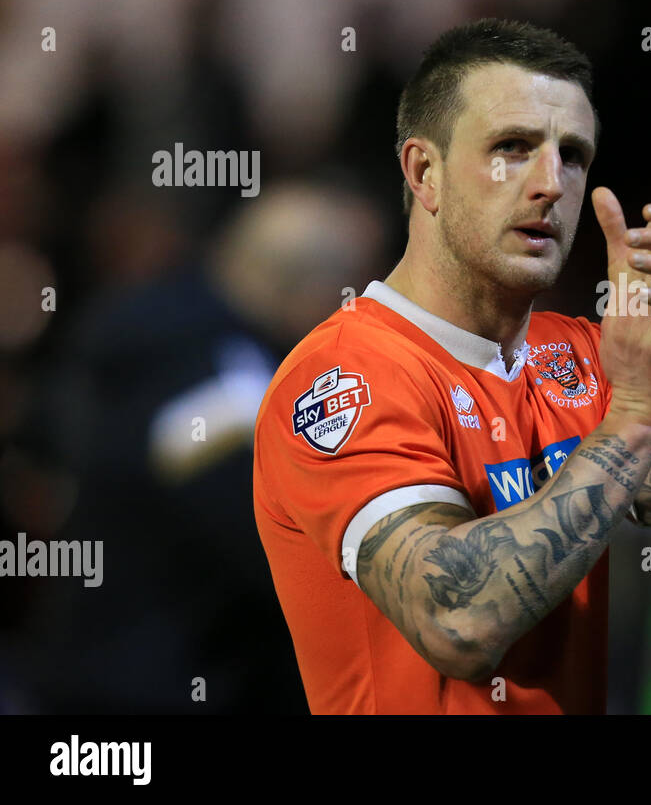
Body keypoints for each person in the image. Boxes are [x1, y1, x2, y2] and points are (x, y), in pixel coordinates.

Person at [252, 18, 651, 715]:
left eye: (573, 155)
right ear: (423, 172)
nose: (551, 182)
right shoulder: (342, 377)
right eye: (512, 148)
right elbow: (457, 621)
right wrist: (638, 417)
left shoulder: (580, 356)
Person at [11, 184, 383, 713]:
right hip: (161, 688)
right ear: (317, 289)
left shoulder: (141, 327)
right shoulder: (232, 396)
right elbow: (276, 561)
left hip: (89, 663)